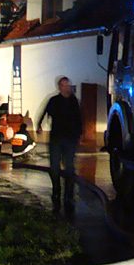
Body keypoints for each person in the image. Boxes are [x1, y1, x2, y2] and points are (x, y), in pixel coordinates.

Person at [37, 76, 83, 215]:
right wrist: (39, 124)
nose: (66, 87)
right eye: (63, 85)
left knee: (69, 167)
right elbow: (45, 112)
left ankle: (68, 195)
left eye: (67, 84)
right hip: (56, 138)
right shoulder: (54, 101)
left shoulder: (73, 101)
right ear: (60, 87)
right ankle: (56, 190)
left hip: (70, 138)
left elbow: (78, 118)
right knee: (55, 167)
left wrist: (80, 134)